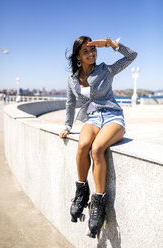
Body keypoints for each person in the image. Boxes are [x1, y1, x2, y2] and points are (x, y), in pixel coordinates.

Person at [59, 36, 137, 238]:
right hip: (92, 119)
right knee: (83, 145)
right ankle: (81, 191)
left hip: (113, 117)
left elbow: (132, 56)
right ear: (78, 56)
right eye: (86, 51)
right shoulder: (72, 80)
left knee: (97, 148)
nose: (91, 54)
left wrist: (111, 45)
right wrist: (67, 127)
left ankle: (98, 202)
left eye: (93, 50)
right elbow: (69, 104)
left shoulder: (105, 70)